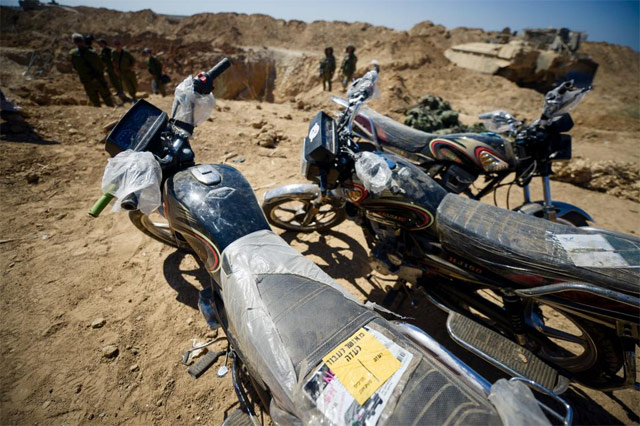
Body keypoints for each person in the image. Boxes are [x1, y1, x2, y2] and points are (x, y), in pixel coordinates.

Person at [69, 33, 114, 107]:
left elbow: (75, 67)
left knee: (94, 100)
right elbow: (101, 66)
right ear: (83, 41)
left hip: (86, 80)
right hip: (97, 79)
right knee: (107, 98)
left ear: (74, 42)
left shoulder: (73, 54)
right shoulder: (91, 53)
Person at [96, 39, 127, 103]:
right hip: (109, 69)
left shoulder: (109, 50)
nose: (100, 45)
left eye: (101, 43)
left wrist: (116, 68)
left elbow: (115, 59)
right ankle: (118, 91)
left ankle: (121, 92)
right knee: (113, 80)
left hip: (113, 68)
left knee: (117, 80)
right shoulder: (102, 51)